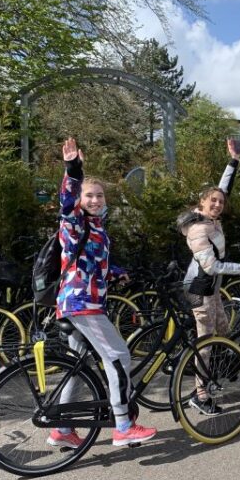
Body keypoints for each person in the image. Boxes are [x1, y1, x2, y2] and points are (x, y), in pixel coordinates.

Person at [49, 138, 156, 449]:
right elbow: (67, 200)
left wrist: (118, 272)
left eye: (99, 195)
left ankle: (62, 429)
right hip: (82, 304)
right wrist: (73, 169)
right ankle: (123, 424)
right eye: (90, 195)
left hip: (82, 301)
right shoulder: (74, 222)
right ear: (81, 199)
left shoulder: (97, 228)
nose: (95, 199)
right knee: (119, 355)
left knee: (78, 364)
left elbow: (92, 264)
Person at [177, 140, 240, 415]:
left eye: (221, 202)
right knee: (207, 342)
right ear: (201, 203)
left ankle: (213, 373)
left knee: (224, 330)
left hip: (212, 291)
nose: (218, 204)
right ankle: (200, 394)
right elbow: (211, 266)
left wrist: (233, 162)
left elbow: (222, 188)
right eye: (213, 201)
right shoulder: (199, 229)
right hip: (201, 289)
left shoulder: (211, 219)